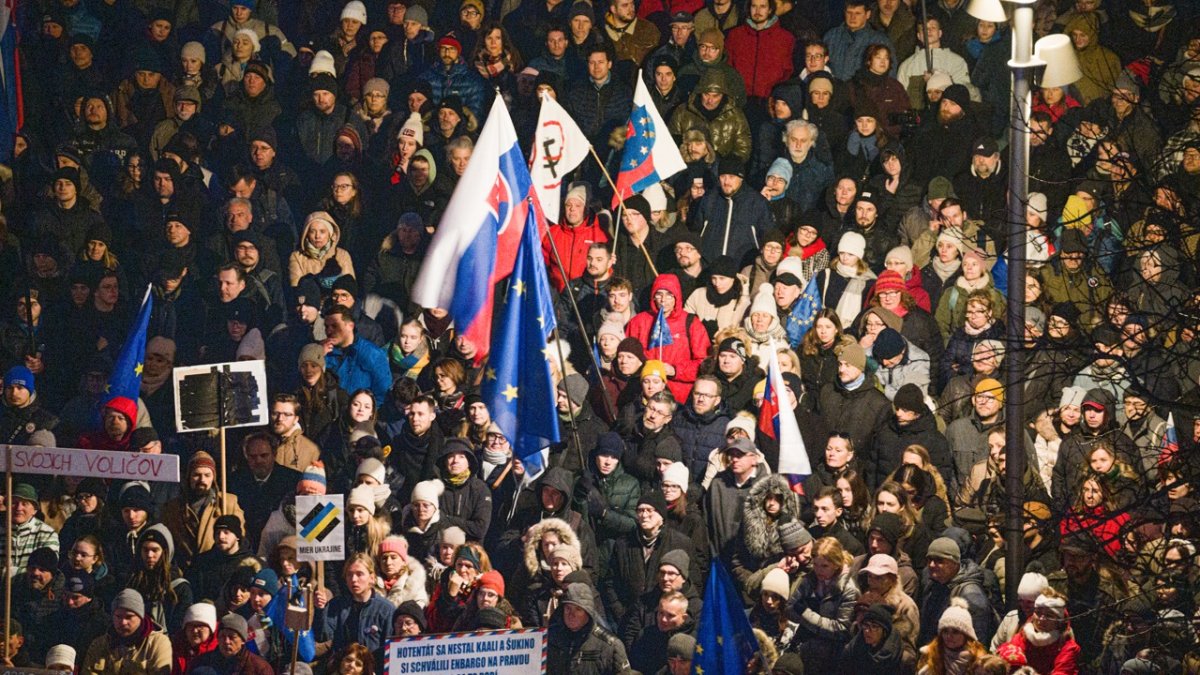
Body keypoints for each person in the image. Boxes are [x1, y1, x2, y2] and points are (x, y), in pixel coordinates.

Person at [80, 589, 172, 675]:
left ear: (140, 617)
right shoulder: (100, 645)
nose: (123, 622)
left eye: (129, 617)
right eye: (118, 616)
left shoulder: (158, 643)